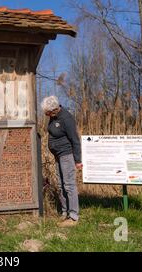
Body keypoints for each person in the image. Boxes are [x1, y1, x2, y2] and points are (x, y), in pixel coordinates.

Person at [41, 96, 82, 227]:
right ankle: (65, 212)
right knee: (60, 185)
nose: (45, 114)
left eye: (46, 112)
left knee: (69, 184)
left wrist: (78, 160)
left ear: (53, 110)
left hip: (67, 155)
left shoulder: (66, 118)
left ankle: (74, 216)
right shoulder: (53, 117)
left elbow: (75, 139)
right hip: (58, 155)